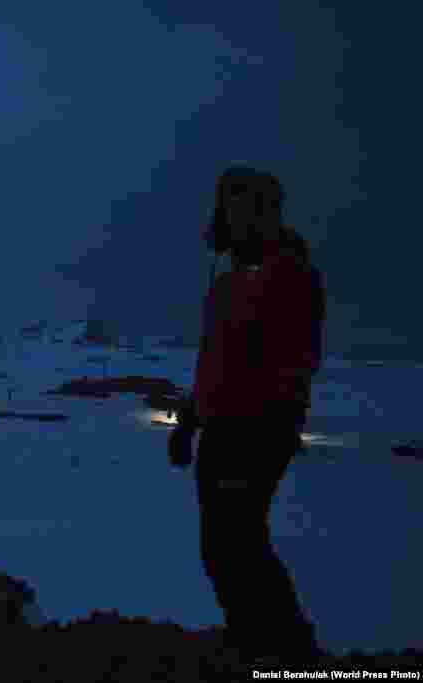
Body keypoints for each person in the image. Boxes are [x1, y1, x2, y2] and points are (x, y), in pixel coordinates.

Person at [168, 166, 327, 664]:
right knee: (223, 548)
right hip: (221, 429)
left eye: (247, 208)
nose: (235, 218)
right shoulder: (231, 280)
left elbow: (295, 359)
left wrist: (272, 424)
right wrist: (191, 421)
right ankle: (257, 644)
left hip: (256, 430)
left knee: (239, 545)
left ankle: (288, 656)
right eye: (229, 208)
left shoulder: (289, 274)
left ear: (268, 214)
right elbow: (216, 360)